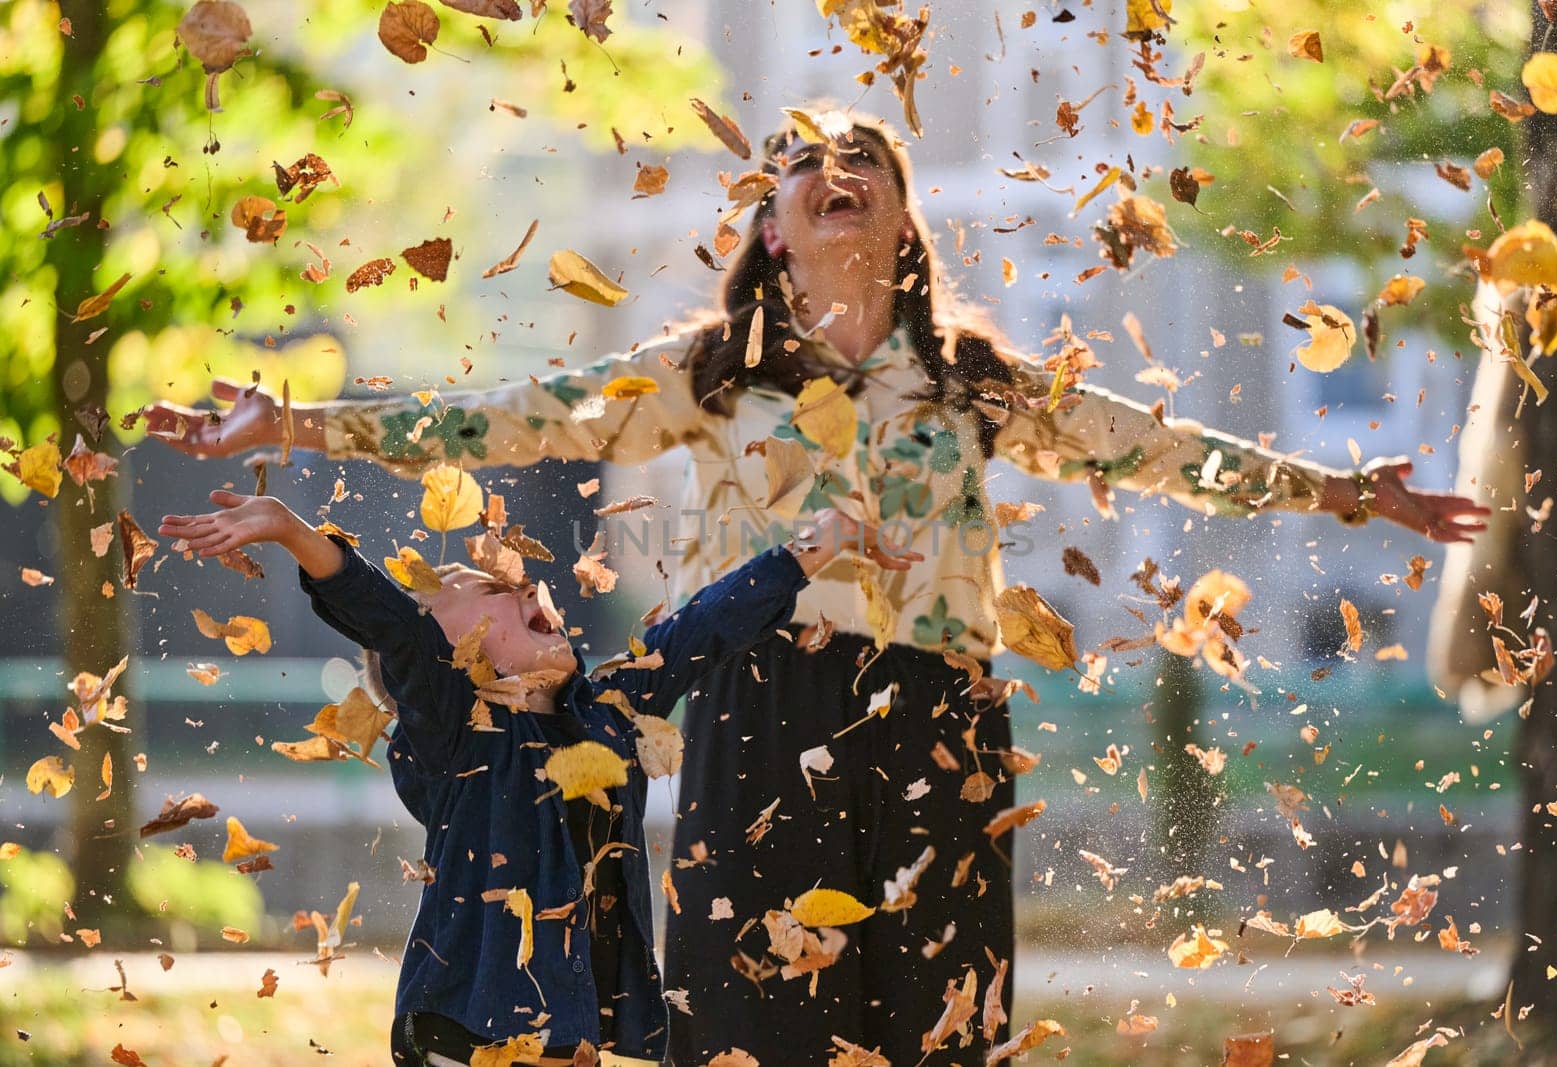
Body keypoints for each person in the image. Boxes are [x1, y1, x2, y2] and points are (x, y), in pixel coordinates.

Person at [146, 109, 1488, 1063]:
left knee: (938, 1018)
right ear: (775, 232)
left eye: (867, 162)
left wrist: (1349, 490)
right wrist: (301, 424)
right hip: (760, 705)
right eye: (803, 165)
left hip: (941, 718)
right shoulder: (711, 371)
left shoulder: (970, 374)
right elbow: (520, 414)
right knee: (753, 1028)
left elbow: (1154, 446)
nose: (835, 171)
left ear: (901, 219)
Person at [157, 490, 916, 1067]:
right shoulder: (455, 727)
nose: (530, 590)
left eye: (525, 587)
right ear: (455, 652)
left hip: (565, 1036)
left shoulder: (610, 710)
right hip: (462, 1027)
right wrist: (294, 531)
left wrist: (816, 545)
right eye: (493, 594)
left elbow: (703, 627)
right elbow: (396, 627)